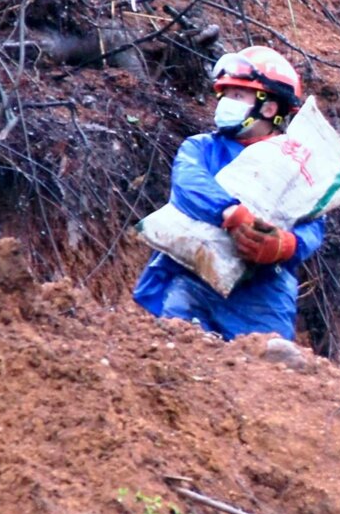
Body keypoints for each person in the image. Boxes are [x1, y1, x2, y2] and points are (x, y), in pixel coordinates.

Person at [133, 46, 326, 341]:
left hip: (261, 295)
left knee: (268, 370)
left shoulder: (295, 165)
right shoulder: (202, 148)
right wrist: (230, 212)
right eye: (224, 95)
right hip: (189, 278)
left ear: (269, 108)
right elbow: (189, 183)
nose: (225, 103)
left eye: (237, 96)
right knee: (178, 349)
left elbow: (313, 220)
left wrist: (286, 246)